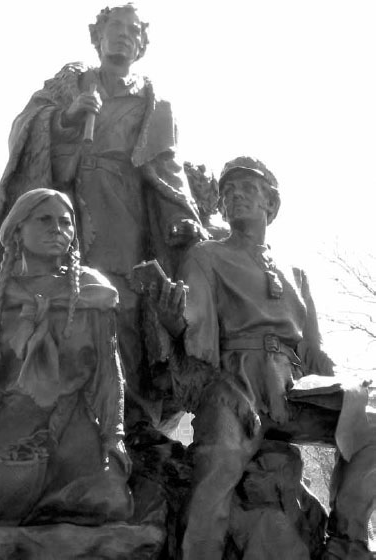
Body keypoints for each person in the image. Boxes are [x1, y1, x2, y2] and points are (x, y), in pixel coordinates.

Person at [0, 3, 204, 448]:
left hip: (125, 210)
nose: (122, 36)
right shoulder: (67, 86)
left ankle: (129, 417)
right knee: (62, 301)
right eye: (114, 29)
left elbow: (167, 167)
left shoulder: (156, 105)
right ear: (97, 37)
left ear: (141, 44)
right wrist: (66, 118)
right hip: (67, 206)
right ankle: (56, 409)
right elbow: (22, 132)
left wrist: (183, 218)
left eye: (132, 31)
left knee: (123, 307)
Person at [153, 156, 376, 560]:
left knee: (373, 424)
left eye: (247, 189)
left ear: (270, 203)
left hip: (293, 391)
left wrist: (353, 393)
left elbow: (315, 351)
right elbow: (195, 321)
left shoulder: (297, 272)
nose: (235, 196)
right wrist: (173, 324)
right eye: (228, 192)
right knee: (217, 467)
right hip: (235, 385)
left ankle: (347, 543)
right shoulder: (205, 256)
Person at [0, 189, 133, 559]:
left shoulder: (94, 295)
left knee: (111, 501)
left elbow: (108, 372)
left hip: (71, 424)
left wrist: (112, 435)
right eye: (45, 220)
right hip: (8, 425)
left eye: (65, 222)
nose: (58, 229)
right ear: (17, 232)